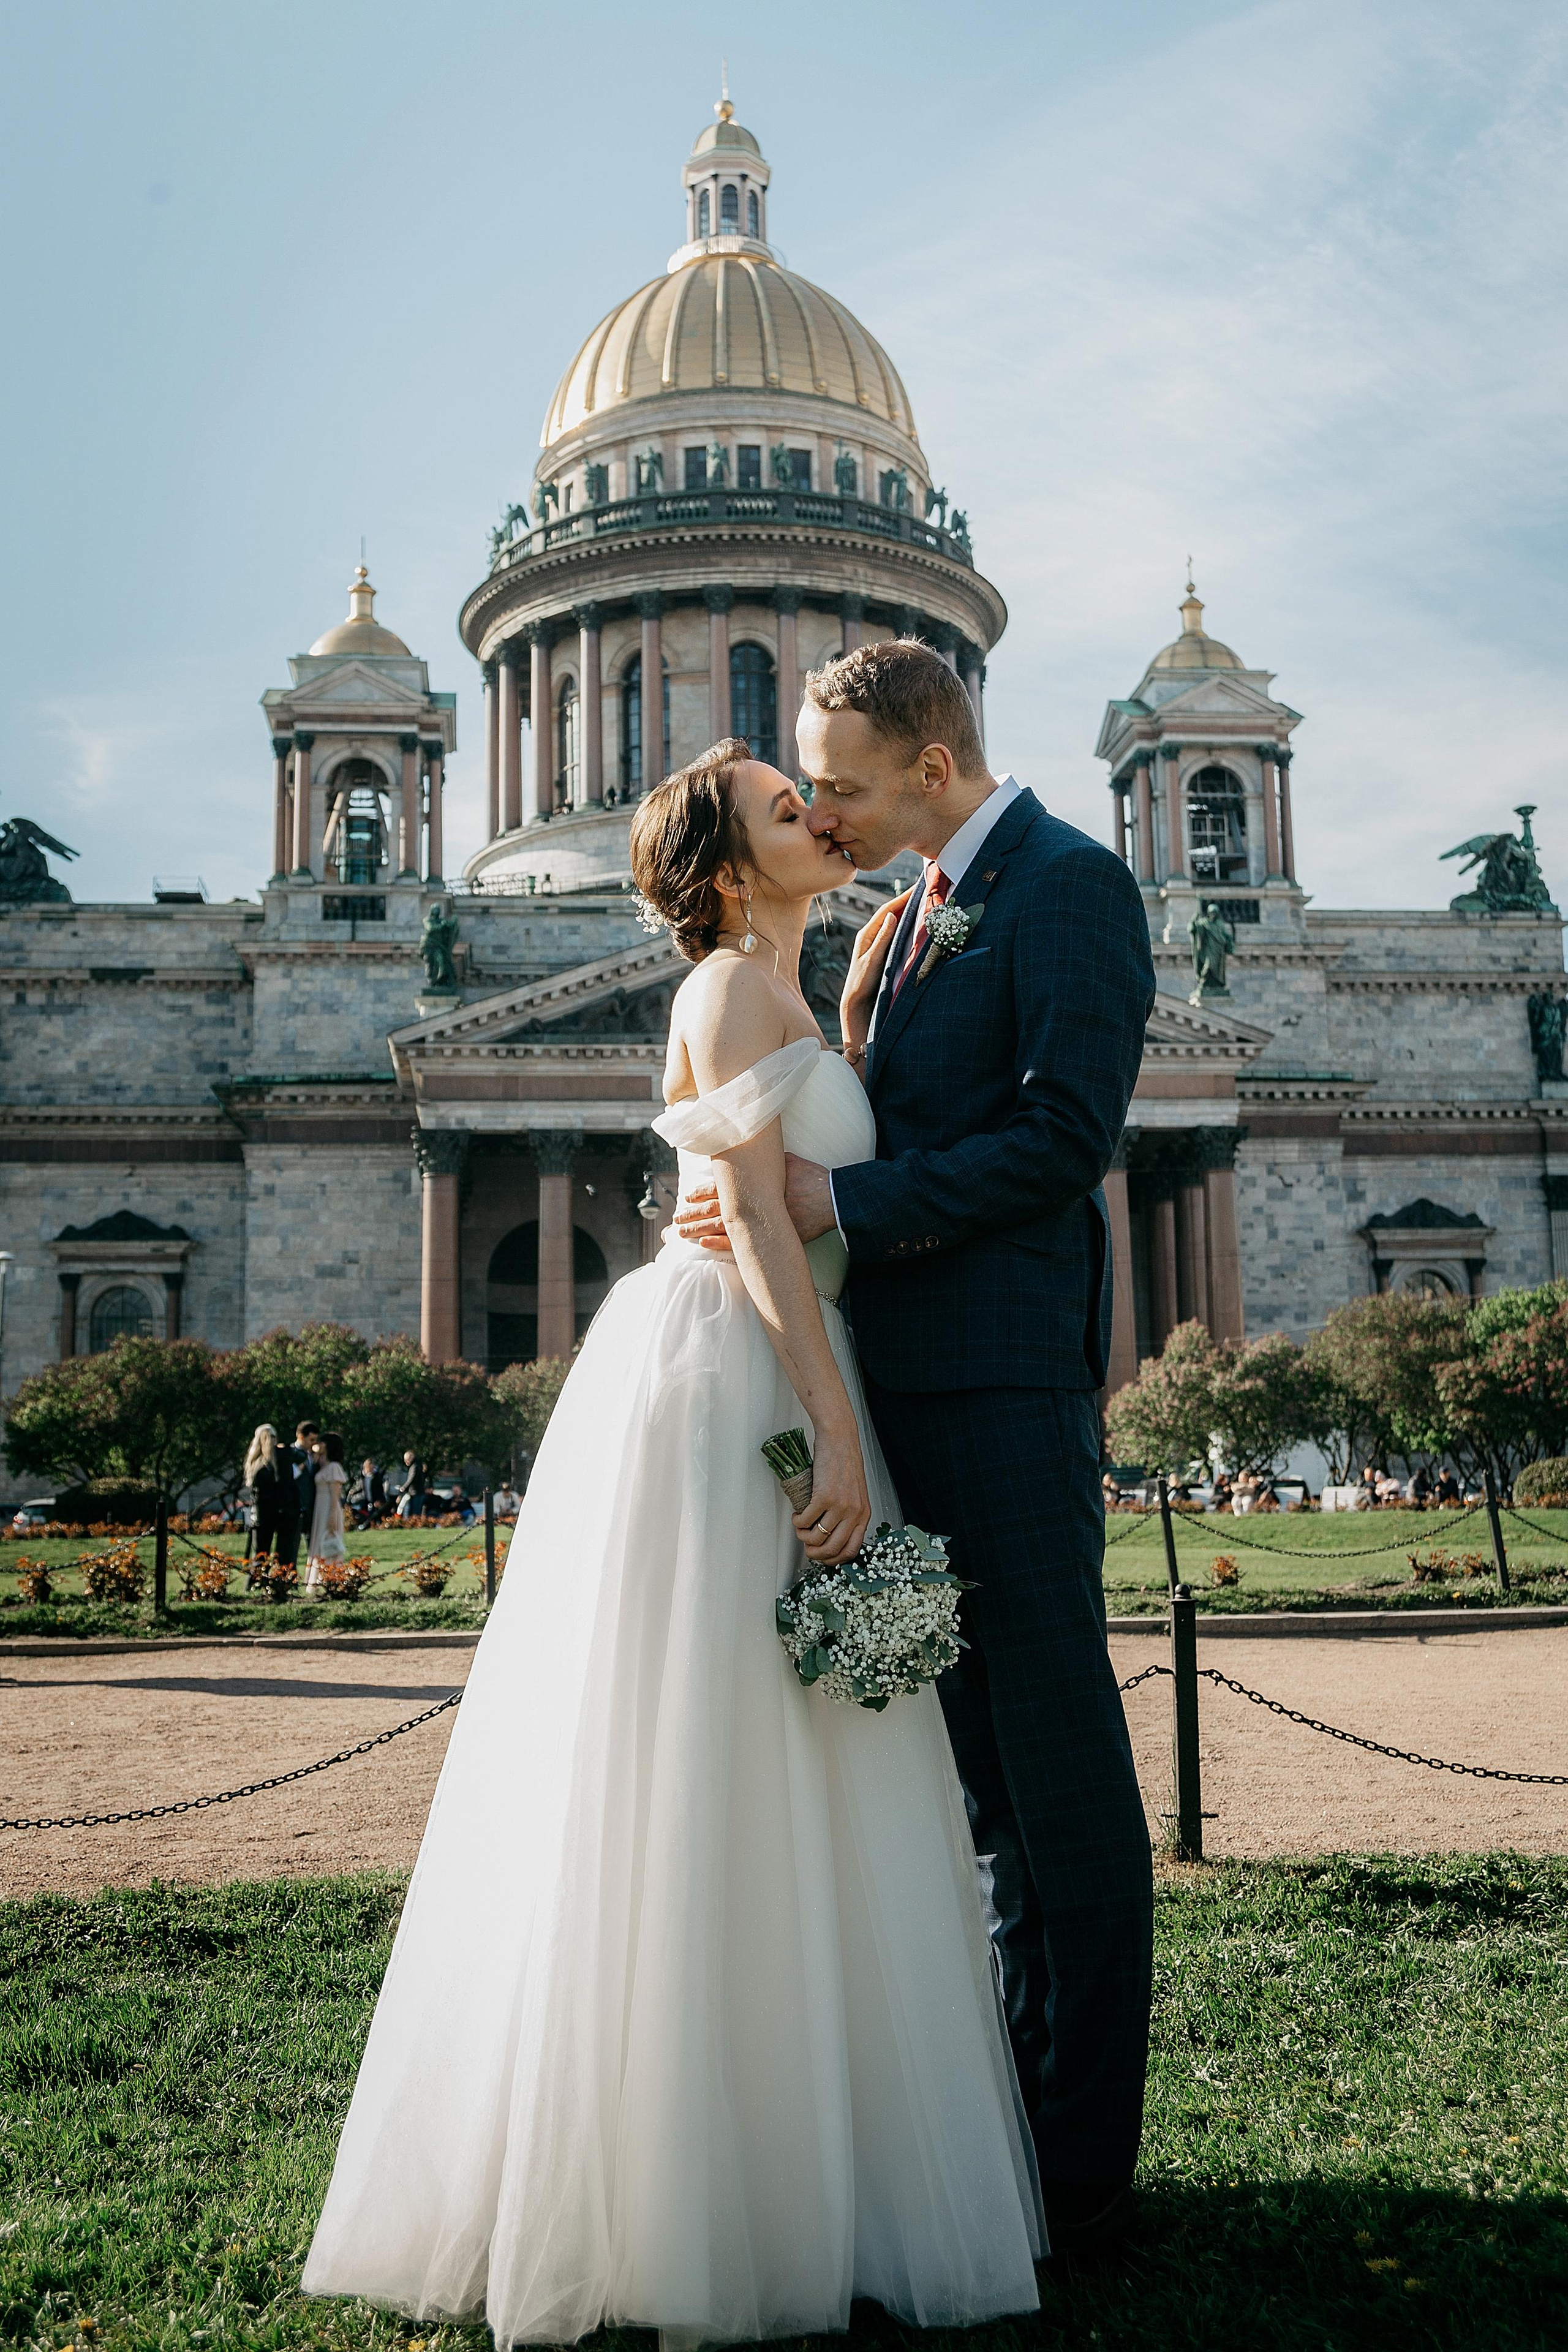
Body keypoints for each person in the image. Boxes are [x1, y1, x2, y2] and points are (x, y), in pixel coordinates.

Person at [303, 734, 1044, 2344]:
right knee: (717, 1746)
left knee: (795, 1745)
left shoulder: (814, 985)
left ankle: (788, 2165)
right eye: (790, 807)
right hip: (749, 1383)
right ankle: (696, 2183)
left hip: (784, 1356)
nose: (822, 811)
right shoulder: (726, 987)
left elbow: (799, 1182)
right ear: (723, 867)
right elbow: (764, 1216)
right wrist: (833, 1427)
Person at [673, 643, 1156, 2259]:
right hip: (897, 1396)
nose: (828, 811)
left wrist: (836, 1201)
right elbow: (817, 1127)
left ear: (935, 770)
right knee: (986, 1796)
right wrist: (745, 1195)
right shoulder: (882, 923)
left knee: (1062, 1775)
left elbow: (1063, 1137)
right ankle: (1012, 2119)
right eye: (802, 794)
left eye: (850, 788)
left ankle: (1082, 2159)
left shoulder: (1069, 888)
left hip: (1006, 1399)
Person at [244, 1424, 298, 1564]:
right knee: (266, 1553)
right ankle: (262, 1579)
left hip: (263, 1512)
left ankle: (258, 1580)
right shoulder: (272, 1461)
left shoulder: (255, 1462)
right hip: (271, 1511)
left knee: (261, 1553)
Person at [304, 1433, 349, 1592]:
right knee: (318, 1543)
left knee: (328, 1543)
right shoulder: (323, 1465)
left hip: (329, 1508)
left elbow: (335, 1495)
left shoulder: (334, 1467)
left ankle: (329, 1579)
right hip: (320, 1508)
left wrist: (332, 1516)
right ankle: (316, 1581)